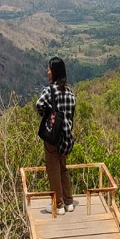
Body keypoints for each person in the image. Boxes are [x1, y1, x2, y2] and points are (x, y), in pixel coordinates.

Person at [35, 56, 76, 215]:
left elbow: (39, 104)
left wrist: (47, 114)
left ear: (55, 72)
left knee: (53, 170)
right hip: (67, 138)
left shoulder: (49, 90)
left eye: (50, 69)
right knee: (63, 169)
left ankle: (58, 205)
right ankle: (69, 202)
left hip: (53, 137)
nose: (48, 71)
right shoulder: (70, 93)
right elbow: (71, 115)